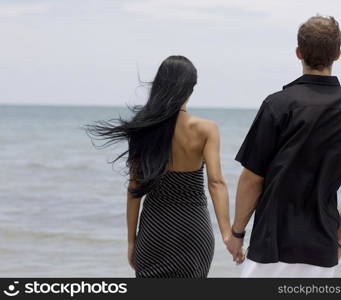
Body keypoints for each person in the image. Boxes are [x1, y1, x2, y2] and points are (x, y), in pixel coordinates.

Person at [226, 15, 341, 277]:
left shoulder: (277, 105)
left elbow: (251, 178)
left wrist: (237, 232)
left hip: (271, 245)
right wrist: (339, 239)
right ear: (338, 54)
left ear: (298, 53)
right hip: (321, 248)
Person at [86, 55, 233, 278]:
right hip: (192, 232)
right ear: (190, 88)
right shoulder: (206, 129)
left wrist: (131, 241)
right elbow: (216, 182)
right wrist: (227, 234)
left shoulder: (144, 127)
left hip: (154, 232)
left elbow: (134, 188)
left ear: (159, 86)